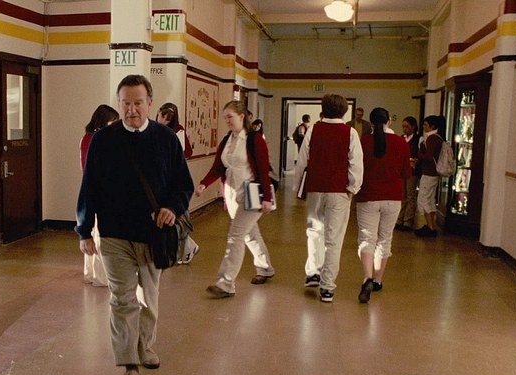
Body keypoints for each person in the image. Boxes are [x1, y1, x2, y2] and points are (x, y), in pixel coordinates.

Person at [76, 74, 193, 375]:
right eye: (125, 103)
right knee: (122, 299)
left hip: (153, 235)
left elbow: (183, 185)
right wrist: (84, 230)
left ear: (149, 103)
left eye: (138, 103)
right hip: (114, 235)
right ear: (119, 104)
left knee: (148, 300)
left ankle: (145, 347)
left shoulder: (166, 139)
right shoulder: (103, 140)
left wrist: (172, 208)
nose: (131, 110)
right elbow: (89, 187)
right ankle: (130, 368)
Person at [196, 101, 275, 298]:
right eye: (225, 118)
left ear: (242, 116)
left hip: (252, 194)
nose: (227, 121)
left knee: (236, 235)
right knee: (249, 234)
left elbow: (264, 170)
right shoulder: (226, 140)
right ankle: (265, 268)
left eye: (230, 117)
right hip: (232, 194)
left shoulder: (254, 139)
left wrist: (266, 197)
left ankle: (226, 283)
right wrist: (204, 183)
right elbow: (218, 167)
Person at [293, 94, 363, 302]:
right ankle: (327, 287)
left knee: (314, 232)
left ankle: (313, 272)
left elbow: (302, 161)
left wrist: (298, 187)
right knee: (334, 239)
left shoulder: (314, 129)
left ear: (323, 109)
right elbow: (356, 164)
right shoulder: (350, 133)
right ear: (344, 111)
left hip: (315, 188)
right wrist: (353, 188)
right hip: (339, 190)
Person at [355, 107, 411, 303]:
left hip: (368, 196)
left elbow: (356, 168)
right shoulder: (401, 143)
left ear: (370, 123)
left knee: (367, 238)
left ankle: (367, 278)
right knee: (385, 238)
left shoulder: (363, 142)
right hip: (393, 197)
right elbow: (406, 173)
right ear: (389, 121)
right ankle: (378, 280)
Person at [80, 104, 120, 287]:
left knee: (92, 232)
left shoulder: (86, 138)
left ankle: (90, 273)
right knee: (101, 235)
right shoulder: (100, 140)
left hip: (91, 189)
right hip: (102, 191)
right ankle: (101, 276)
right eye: (113, 121)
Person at [156, 102, 199, 264]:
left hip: (172, 181)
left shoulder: (177, 131)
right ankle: (187, 248)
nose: (163, 121)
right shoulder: (152, 129)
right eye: (162, 116)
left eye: (168, 119)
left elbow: (187, 151)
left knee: (176, 219)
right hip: (160, 180)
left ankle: (187, 248)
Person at [414, 115, 445, 238]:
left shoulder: (432, 138)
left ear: (432, 126)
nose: (424, 127)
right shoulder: (439, 138)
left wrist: (419, 153)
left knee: (424, 199)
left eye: (426, 125)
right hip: (434, 173)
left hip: (428, 173)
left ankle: (430, 226)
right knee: (430, 200)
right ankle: (431, 225)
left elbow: (427, 156)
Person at [395, 116, 420, 231]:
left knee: (410, 195)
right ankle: (399, 219)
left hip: (412, 170)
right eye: (403, 127)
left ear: (413, 127)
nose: (405, 129)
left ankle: (408, 221)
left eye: (407, 127)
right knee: (402, 195)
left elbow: (419, 154)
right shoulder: (401, 138)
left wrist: (415, 160)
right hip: (401, 170)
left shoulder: (418, 139)